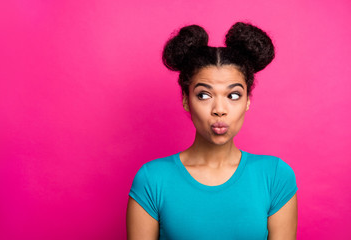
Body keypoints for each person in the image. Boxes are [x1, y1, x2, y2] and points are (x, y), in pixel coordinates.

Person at [126, 22, 298, 240]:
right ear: (186, 101)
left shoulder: (275, 176)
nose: (219, 110)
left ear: (247, 101)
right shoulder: (152, 179)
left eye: (233, 95)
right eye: (204, 95)